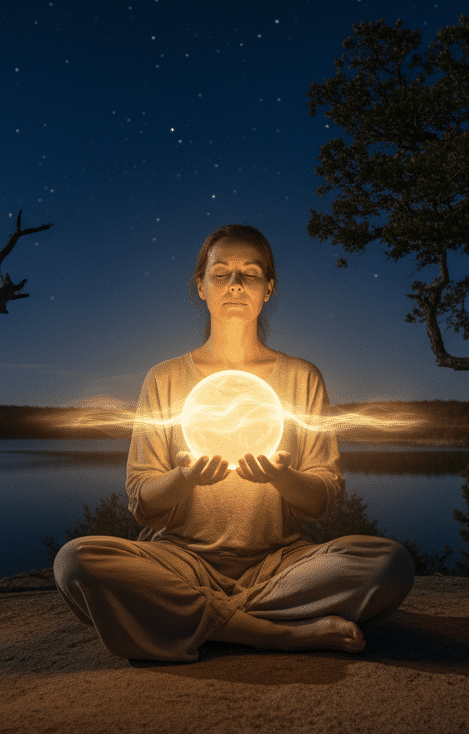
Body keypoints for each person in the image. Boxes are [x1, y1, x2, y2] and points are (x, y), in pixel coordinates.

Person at [54, 224, 414, 662]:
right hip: (180, 561)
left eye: (251, 272)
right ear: (201, 287)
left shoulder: (302, 377)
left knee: (388, 564)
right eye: (221, 272)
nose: (236, 284)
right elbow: (143, 505)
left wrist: (282, 476)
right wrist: (184, 479)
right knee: (76, 562)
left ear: (269, 288)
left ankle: (202, 620)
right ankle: (272, 631)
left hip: (279, 564)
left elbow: (324, 502)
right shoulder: (164, 378)